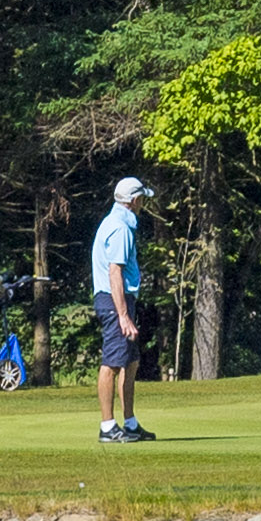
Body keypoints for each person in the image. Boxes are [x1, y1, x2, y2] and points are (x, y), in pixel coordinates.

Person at [93, 175, 156, 442]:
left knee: (130, 361)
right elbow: (115, 272)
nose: (143, 203)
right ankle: (108, 427)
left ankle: (129, 423)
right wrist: (123, 315)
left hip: (119, 300)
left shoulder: (118, 222)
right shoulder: (119, 228)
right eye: (142, 198)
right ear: (133, 200)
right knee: (113, 363)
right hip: (113, 300)